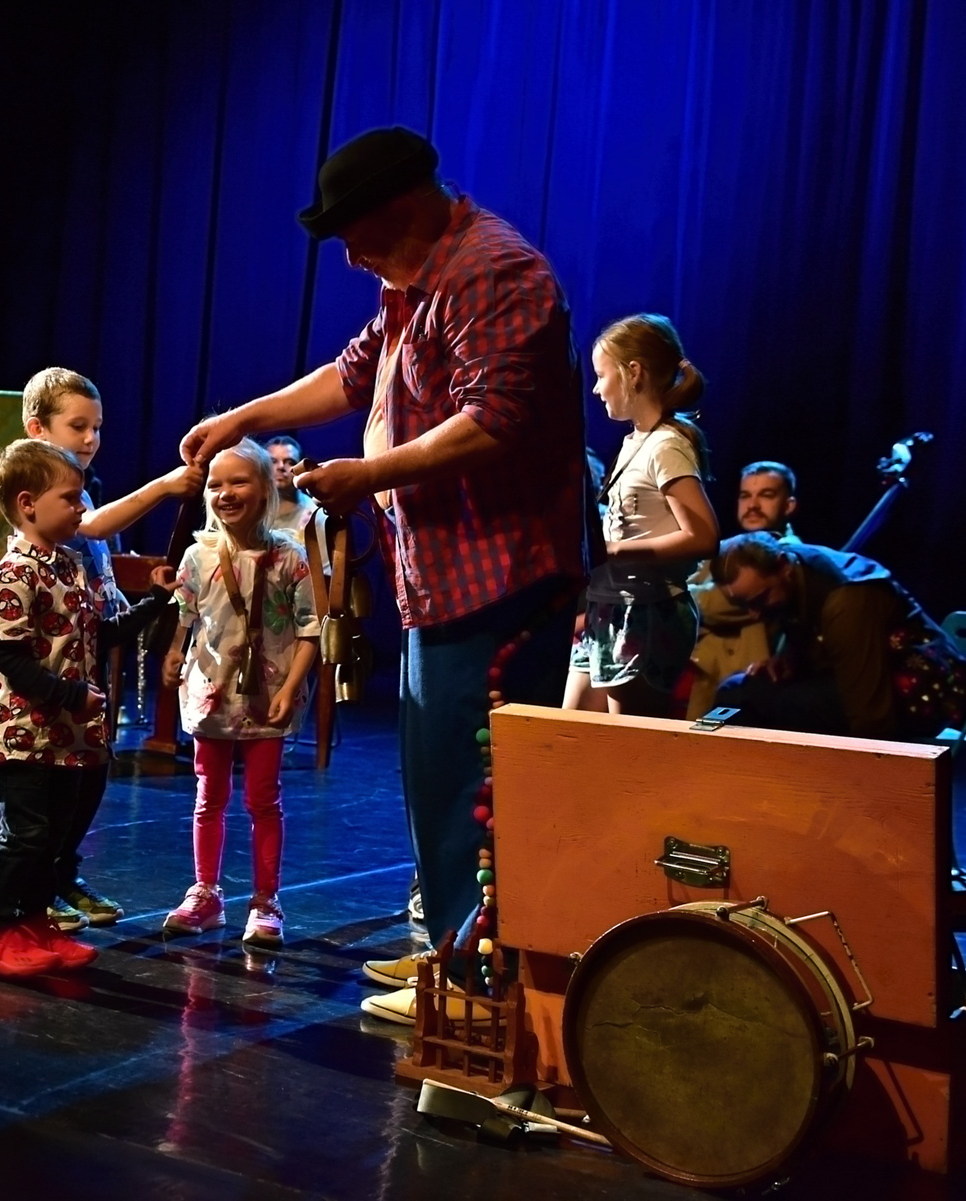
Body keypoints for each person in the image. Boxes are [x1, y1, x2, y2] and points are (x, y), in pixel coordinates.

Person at [179, 125, 591, 1025]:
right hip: (445, 578)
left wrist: (367, 474)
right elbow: (350, 375)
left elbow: (496, 420)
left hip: (500, 576)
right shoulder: (417, 283)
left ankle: (478, 985)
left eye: (354, 236)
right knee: (437, 779)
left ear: (401, 210)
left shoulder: (493, 271)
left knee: (473, 787)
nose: (350, 257)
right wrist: (242, 418)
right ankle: (453, 949)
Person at [0, 439, 174, 979]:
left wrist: (154, 601)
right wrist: (72, 695)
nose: (83, 508)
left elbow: (98, 635)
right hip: (20, 731)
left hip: (62, 730)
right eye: (71, 498)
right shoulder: (13, 576)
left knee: (53, 837)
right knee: (26, 833)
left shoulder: (66, 566)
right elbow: (11, 659)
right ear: (28, 503)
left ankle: (33, 923)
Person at [21, 367, 202, 929]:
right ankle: (35, 887)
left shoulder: (81, 490)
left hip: (88, 656)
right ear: (37, 428)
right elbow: (92, 530)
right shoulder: (33, 486)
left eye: (96, 427)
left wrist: (144, 602)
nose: (91, 438)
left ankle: (63, 873)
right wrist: (164, 486)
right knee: (50, 787)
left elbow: (98, 563)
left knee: (89, 776)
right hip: (50, 667)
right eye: (77, 426)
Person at [159, 438, 320, 949]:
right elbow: (186, 613)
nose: (225, 493)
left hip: (267, 695)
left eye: (238, 482)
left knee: (262, 799)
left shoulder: (289, 557)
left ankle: (266, 900)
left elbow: (310, 628)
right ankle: (205, 893)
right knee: (209, 796)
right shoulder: (198, 555)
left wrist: (291, 686)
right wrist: (174, 651)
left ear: (266, 489)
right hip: (211, 691)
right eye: (215, 484)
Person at [564, 315, 718, 717]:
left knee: (627, 744)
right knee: (569, 733)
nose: (596, 388)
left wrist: (616, 549)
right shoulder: (636, 440)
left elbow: (703, 536)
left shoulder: (667, 445)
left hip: (644, 612)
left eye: (602, 376)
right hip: (607, 608)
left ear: (633, 372)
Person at [710, 532, 959, 740]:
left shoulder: (846, 601)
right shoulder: (791, 571)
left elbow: (871, 717)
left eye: (760, 600)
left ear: (783, 566)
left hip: (916, 695)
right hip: (848, 678)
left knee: (785, 703)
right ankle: (710, 760)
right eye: (744, 605)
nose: (754, 615)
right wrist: (791, 662)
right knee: (734, 691)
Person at [685, 462, 802, 718]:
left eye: (766, 495)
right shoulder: (727, 549)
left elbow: (710, 603)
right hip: (703, 674)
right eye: (745, 496)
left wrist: (685, 595)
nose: (753, 505)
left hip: (742, 683)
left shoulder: (790, 555)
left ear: (789, 505)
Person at [265, 435, 319, 536]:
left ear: (302, 469)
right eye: (273, 461)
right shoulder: (251, 510)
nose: (281, 466)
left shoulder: (314, 513)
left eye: (290, 462)